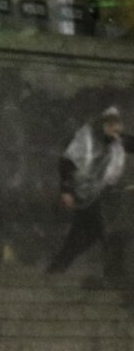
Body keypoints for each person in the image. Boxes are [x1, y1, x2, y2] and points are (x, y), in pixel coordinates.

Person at [46, 107, 134, 281]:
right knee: (105, 232)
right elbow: (66, 163)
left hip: (102, 196)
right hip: (84, 193)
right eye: (110, 125)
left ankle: (56, 269)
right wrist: (66, 190)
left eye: (116, 124)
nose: (114, 129)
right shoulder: (85, 139)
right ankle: (114, 274)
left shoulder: (117, 140)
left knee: (84, 236)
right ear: (103, 125)